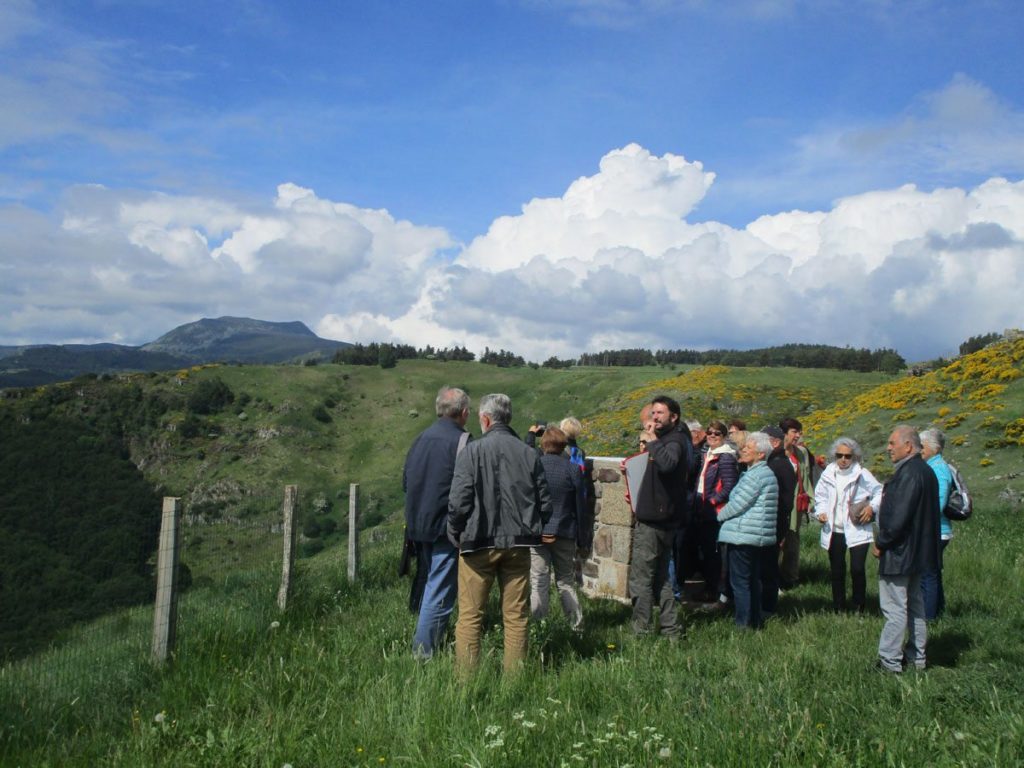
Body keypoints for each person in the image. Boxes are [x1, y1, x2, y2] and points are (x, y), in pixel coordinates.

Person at [447, 393, 553, 675]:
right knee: (516, 617)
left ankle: (467, 684)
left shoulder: (471, 451)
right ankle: (514, 684)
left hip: (477, 543)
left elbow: (459, 501)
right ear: (508, 418)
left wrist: (454, 532)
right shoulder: (529, 453)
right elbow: (545, 503)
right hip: (519, 543)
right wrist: (534, 527)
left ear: (484, 419)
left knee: (470, 617)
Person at [402, 386, 471, 659]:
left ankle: (423, 639)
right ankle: (423, 655)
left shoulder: (419, 439)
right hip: (446, 526)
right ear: (464, 413)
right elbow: (468, 488)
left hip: (418, 524)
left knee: (428, 582)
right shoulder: (463, 442)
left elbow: (405, 482)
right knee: (439, 591)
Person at [873, 425, 941, 673]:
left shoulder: (909, 474)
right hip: (918, 552)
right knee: (915, 606)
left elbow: (898, 517)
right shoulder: (925, 471)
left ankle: (890, 661)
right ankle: (917, 658)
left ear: (908, 446)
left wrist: (882, 542)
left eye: (892, 443)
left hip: (901, 552)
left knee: (895, 608)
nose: (888, 448)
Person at [628, 395, 692, 637]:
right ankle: (671, 629)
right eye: (653, 413)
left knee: (641, 579)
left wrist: (652, 440)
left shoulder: (675, 440)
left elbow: (667, 464)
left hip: (656, 520)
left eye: (660, 413)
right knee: (662, 578)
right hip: (663, 517)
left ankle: (641, 631)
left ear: (673, 417)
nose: (654, 417)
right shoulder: (669, 439)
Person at [529, 427, 591, 630]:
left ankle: (539, 626)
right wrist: (583, 540)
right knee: (565, 581)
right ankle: (577, 626)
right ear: (564, 445)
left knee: (539, 579)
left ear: (543, 444)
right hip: (564, 532)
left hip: (538, 533)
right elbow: (581, 508)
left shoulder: (535, 466)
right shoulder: (572, 470)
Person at [813, 437, 883, 613]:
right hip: (834, 529)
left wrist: (871, 508)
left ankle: (859, 606)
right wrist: (820, 512)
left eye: (848, 456)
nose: (843, 459)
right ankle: (838, 606)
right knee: (837, 570)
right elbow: (820, 496)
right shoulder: (828, 473)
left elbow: (880, 491)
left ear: (854, 457)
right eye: (839, 455)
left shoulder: (862, 474)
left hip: (857, 528)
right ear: (834, 456)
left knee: (857, 569)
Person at [717, 432, 779, 629]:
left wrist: (719, 515)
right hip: (755, 534)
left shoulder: (755, 476)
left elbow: (739, 504)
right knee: (752, 580)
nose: (742, 451)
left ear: (760, 454)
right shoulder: (765, 474)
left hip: (743, 534)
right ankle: (755, 620)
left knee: (741, 582)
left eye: (748, 448)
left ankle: (743, 624)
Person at [692, 419, 739, 603]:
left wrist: (712, 500)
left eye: (717, 433)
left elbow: (729, 486)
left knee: (714, 554)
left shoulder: (725, 457)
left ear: (724, 437)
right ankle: (711, 588)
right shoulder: (709, 454)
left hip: (715, 512)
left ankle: (715, 591)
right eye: (710, 432)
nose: (712, 436)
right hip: (704, 508)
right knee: (707, 551)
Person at [919, 428, 954, 619]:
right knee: (933, 573)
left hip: (935, 530)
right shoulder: (933, 466)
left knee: (927, 574)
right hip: (935, 529)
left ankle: (929, 617)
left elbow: (937, 502)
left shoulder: (938, 468)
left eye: (922, 446)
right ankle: (937, 611)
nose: (919, 449)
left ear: (936, 448)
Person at [761, 425, 795, 616]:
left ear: (774, 442)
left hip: (774, 521)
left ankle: (769, 604)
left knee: (769, 562)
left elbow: (785, 500)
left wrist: (777, 521)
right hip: (775, 520)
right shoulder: (777, 461)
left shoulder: (779, 464)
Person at [779, 417, 815, 589]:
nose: (798, 435)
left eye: (799, 432)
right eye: (794, 431)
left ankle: (790, 578)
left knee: (792, 540)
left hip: (795, 503)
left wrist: (811, 498)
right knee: (778, 540)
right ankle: (773, 578)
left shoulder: (801, 453)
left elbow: (806, 476)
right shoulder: (775, 452)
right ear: (784, 433)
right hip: (779, 502)